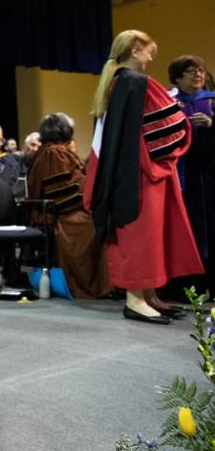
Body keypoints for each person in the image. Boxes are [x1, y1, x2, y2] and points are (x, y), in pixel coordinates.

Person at [85, 30, 203, 324]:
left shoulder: (113, 83)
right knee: (142, 234)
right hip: (142, 173)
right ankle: (135, 299)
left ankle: (149, 295)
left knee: (146, 234)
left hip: (125, 172)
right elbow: (172, 123)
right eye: (149, 51)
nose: (152, 57)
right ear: (136, 49)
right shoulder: (139, 83)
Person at [27, 112, 110, 298]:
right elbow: (65, 188)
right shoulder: (54, 152)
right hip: (62, 213)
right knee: (93, 224)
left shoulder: (53, 150)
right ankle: (92, 285)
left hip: (62, 209)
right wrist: (93, 186)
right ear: (64, 130)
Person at [169, 55, 215, 295]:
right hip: (180, 177)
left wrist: (211, 125)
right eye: (191, 71)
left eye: (201, 70)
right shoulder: (168, 102)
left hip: (209, 177)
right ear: (177, 78)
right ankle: (187, 287)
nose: (198, 74)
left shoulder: (212, 101)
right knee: (185, 231)